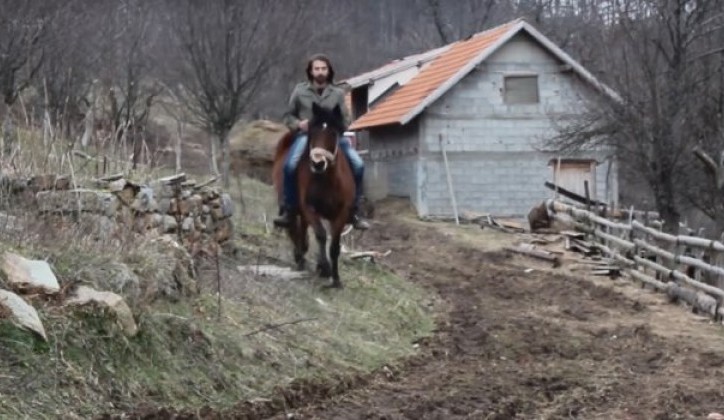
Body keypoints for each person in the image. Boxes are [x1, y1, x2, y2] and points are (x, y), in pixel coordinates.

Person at [274, 53, 370, 230]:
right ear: (310, 71)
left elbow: (346, 119)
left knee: (358, 164)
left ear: (329, 71)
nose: (320, 72)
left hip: (331, 138)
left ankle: (354, 210)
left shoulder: (338, 93)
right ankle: (289, 209)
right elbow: (287, 116)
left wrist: (337, 127)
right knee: (289, 165)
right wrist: (298, 124)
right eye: (316, 68)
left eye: (323, 68)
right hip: (306, 136)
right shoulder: (300, 90)